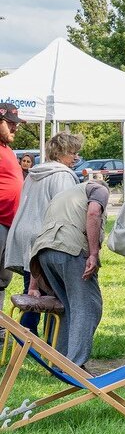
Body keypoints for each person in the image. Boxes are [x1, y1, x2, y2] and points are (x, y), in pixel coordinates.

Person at [27, 179, 110, 367]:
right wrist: (93, 254)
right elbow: (94, 213)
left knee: (67, 306)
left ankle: (60, 361)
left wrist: (33, 285)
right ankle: (74, 366)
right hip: (70, 249)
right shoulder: (99, 189)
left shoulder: (63, 196)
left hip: (43, 253)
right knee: (88, 306)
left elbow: (41, 234)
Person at [3, 132, 83, 308]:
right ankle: (41, 327)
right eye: (73, 153)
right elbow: (65, 212)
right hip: (45, 238)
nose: (76, 158)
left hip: (26, 235)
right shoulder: (62, 175)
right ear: (60, 152)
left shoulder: (34, 173)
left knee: (31, 295)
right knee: (51, 299)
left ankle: (26, 326)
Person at [0, 103, 26, 302]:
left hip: (9, 223)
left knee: (2, 279)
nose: (14, 127)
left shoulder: (7, 149)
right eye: (10, 123)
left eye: (16, 123)